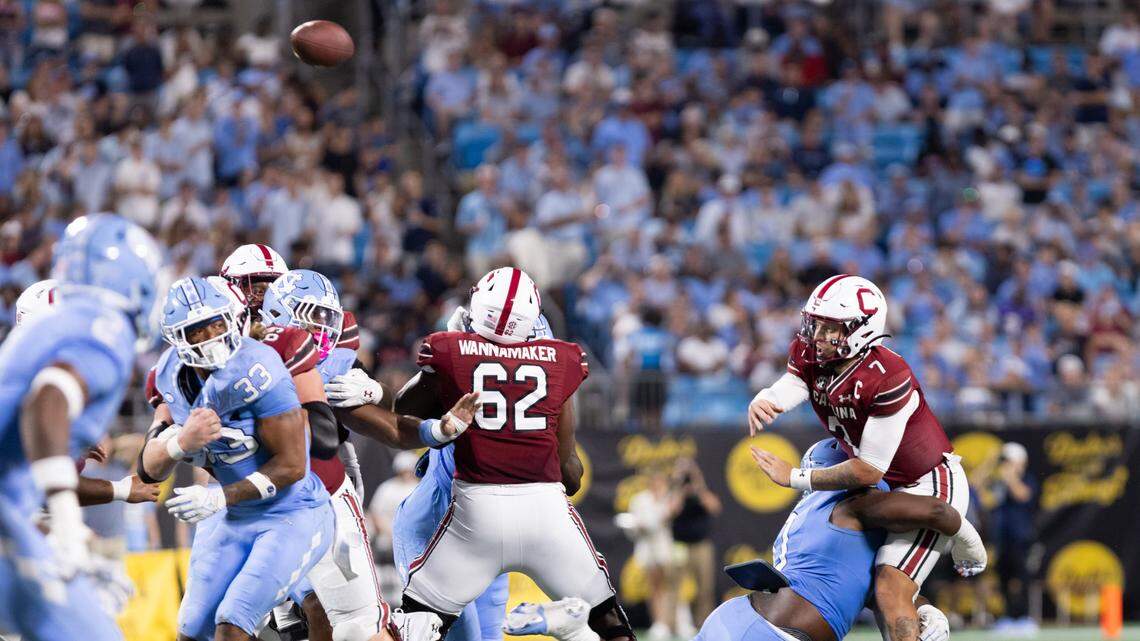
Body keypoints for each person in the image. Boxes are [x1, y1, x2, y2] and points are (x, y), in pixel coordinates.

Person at [389, 267, 634, 641]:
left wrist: (443, 366)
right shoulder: (552, 361)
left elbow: (402, 414)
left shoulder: (456, 351)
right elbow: (570, 478)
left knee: (438, 631)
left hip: (470, 517)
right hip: (447, 517)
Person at [747, 274, 972, 641]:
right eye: (816, 324)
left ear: (861, 330)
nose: (817, 336)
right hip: (882, 485)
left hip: (924, 480)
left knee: (889, 589)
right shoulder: (814, 352)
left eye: (830, 328)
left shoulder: (887, 375)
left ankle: (924, 614)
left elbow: (868, 469)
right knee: (870, 580)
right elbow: (798, 381)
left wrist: (795, 477)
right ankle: (926, 616)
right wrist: (769, 397)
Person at [138, 276, 334, 641]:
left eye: (216, 323)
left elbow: (293, 466)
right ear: (178, 338)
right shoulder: (167, 374)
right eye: (198, 330)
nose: (211, 336)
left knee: (233, 623)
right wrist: (180, 442)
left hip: (290, 513)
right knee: (192, 630)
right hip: (232, 516)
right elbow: (148, 469)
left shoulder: (259, 366)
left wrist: (218, 498)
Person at [0, 213, 164, 641]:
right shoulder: (102, 330)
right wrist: (67, 527)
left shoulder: (42, 333)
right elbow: (48, 398)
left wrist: (53, 532)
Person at [692, 439, 984, 641]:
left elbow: (867, 591)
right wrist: (969, 543)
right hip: (776, 632)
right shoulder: (852, 505)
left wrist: (923, 609)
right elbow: (937, 511)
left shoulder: (814, 513)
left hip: (738, 618)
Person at [987, 441, 1038, 635]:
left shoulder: (1028, 479)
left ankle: (1024, 617)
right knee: (1003, 578)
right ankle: (1008, 616)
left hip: (1021, 537)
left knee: (1021, 578)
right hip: (1002, 538)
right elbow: (982, 494)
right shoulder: (998, 482)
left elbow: (1023, 495)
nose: (1005, 465)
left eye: (1009, 461)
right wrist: (989, 467)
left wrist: (1010, 477)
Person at [670, 458, 722, 627]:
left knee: (705, 588)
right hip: (679, 545)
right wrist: (679, 486)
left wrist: (698, 484)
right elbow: (672, 510)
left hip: (701, 544)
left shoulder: (703, 488)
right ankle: (674, 624)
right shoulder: (674, 488)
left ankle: (704, 623)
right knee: (676, 586)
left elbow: (714, 507)